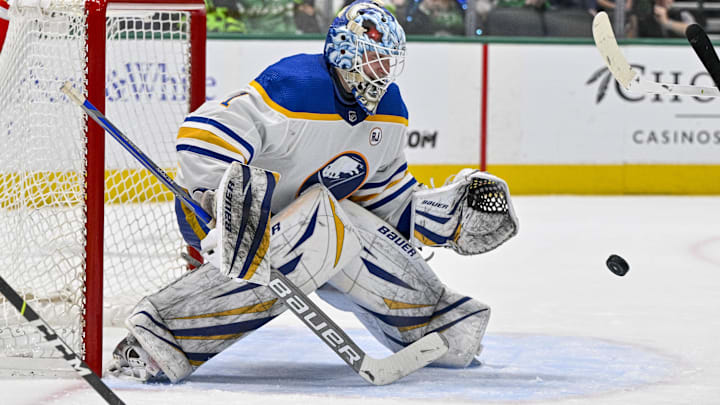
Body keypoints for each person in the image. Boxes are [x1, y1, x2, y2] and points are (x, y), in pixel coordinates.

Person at [107, 0, 518, 383]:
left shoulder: (390, 111)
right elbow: (203, 135)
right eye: (372, 58)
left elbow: (384, 199)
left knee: (343, 223)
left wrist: (443, 216)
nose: (381, 71)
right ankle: (155, 339)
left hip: (317, 230)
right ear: (343, 52)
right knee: (324, 221)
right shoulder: (297, 86)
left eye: (387, 62)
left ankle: (432, 323)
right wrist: (221, 203)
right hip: (232, 231)